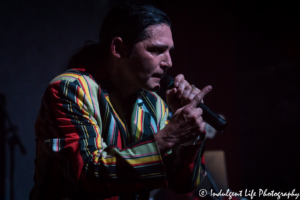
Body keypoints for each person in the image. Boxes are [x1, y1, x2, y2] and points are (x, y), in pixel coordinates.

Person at [30, 3, 212, 200]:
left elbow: (183, 183)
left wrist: (187, 137)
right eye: (156, 50)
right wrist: (168, 137)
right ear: (118, 48)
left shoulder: (155, 104)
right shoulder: (70, 89)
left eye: (169, 51)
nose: (169, 62)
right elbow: (88, 174)